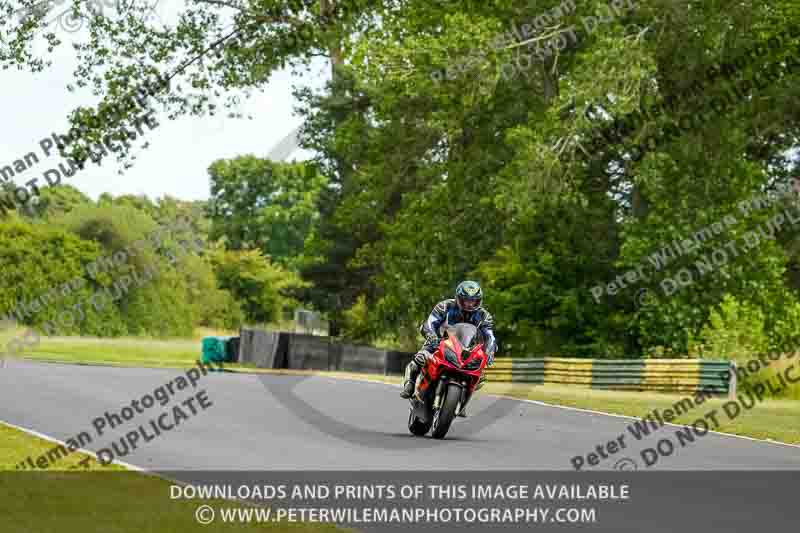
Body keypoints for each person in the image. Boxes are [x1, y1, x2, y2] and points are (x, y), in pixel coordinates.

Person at [400, 280, 497, 417]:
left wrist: (490, 351)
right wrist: (431, 335)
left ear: (479, 301)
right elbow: (429, 323)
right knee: (420, 357)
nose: (469, 304)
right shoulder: (444, 306)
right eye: (466, 300)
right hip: (439, 342)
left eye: (473, 301)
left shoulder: (484, 316)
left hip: (466, 351)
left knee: (480, 375)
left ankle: (462, 401)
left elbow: (490, 337)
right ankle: (409, 385)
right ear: (458, 298)